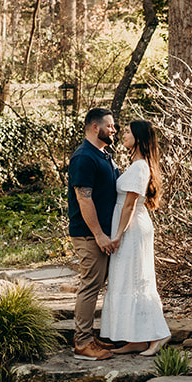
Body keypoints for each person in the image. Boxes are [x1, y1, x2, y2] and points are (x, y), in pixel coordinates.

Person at [98, 119, 171, 356]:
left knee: (138, 280)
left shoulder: (140, 167)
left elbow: (129, 205)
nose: (122, 135)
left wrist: (117, 235)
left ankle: (159, 335)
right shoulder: (136, 164)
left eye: (127, 132)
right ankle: (136, 339)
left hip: (131, 229)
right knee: (126, 280)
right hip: (126, 227)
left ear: (138, 137)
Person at [68, 108, 119, 361]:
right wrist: (98, 234)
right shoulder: (83, 157)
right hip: (89, 235)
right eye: (110, 126)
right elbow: (83, 198)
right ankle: (82, 343)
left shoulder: (103, 154)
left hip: (103, 234)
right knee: (90, 286)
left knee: (96, 285)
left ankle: (88, 336)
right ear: (94, 127)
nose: (114, 130)